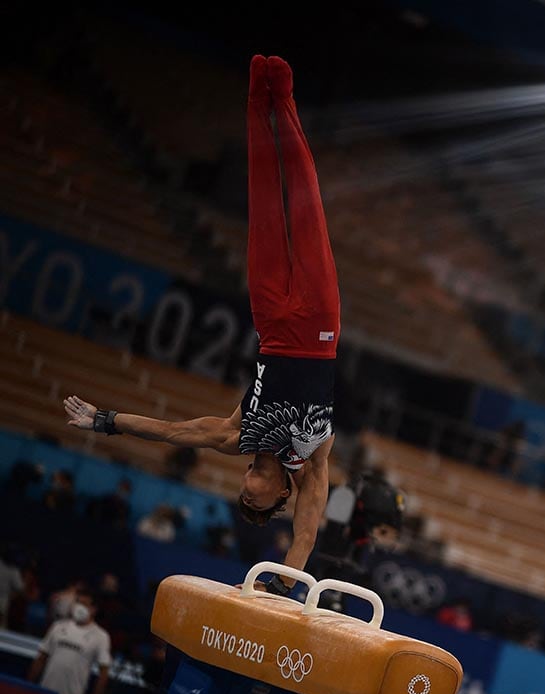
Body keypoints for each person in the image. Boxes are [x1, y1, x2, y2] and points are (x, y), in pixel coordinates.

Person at [63, 55, 339, 596]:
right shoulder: (313, 461)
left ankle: (257, 99)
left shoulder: (234, 436)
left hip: (273, 326)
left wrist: (105, 420)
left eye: (242, 495)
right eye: (253, 499)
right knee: (305, 205)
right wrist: (280, 586)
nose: (244, 489)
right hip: (321, 329)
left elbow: (168, 430)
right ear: (282, 494)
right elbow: (305, 536)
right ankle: (282, 97)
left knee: (263, 206)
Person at [27, 590, 111, 694]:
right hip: (44, 693)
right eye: (77, 602)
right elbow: (41, 658)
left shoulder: (101, 636)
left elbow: (104, 673)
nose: (79, 606)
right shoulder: (58, 626)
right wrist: (29, 686)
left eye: (84, 604)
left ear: (94, 609)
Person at [0, 547, 24, 629]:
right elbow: (20, 589)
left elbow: (20, 588)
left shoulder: (14, 570)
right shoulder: (14, 570)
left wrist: (10, 597)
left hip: (3, 601)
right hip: (3, 601)